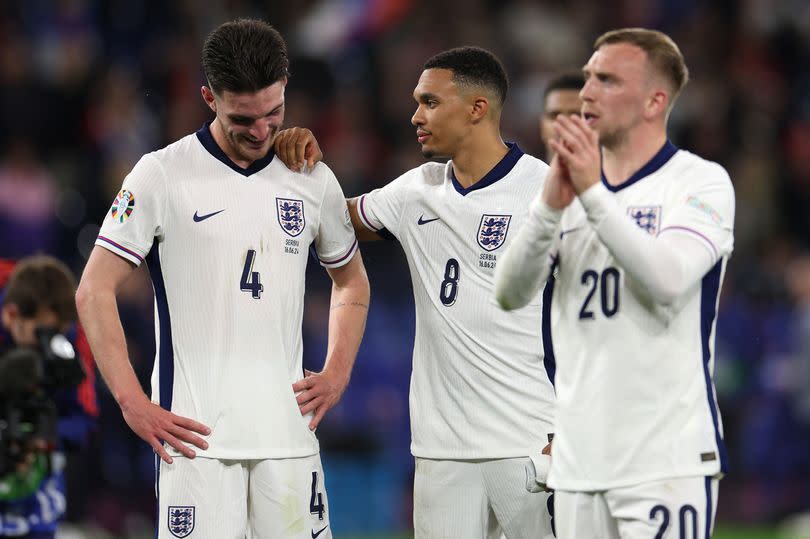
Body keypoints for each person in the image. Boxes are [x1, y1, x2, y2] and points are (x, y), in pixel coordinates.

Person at [75, 19, 369, 539]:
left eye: (273, 113)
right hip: (196, 444)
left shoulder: (310, 176)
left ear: (285, 90)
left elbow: (352, 282)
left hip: (289, 438)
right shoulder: (161, 174)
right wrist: (131, 402)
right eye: (242, 118)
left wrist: (336, 372)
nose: (260, 131)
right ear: (209, 96)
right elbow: (93, 289)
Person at [276, 47, 555, 539]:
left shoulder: (547, 191)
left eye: (429, 102)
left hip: (532, 441)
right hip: (440, 451)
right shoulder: (415, 192)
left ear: (476, 109)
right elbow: (329, 221)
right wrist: (305, 169)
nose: (415, 116)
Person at [495, 28, 735, 538]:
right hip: (579, 466)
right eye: (587, 78)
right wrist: (548, 210)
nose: (585, 94)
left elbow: (668, 278)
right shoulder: (566, 188)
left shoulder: (698, 182)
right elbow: (510, 292)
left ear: (655, 101)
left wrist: (592, 194)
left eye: (607, 80)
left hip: (663, 462)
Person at [0, 255, 98, 539]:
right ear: (11, 315)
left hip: (36, 473)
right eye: (42, 332)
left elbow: (85, 418)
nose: (51, 342)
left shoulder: (71, 337)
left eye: (59, 331)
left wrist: (45, 440)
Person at [539, 73, 584, 159]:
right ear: (542, 127)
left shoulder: (615, 172)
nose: (563, 123)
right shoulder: (521, 172)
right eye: (554, 115)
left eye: (576, 115)